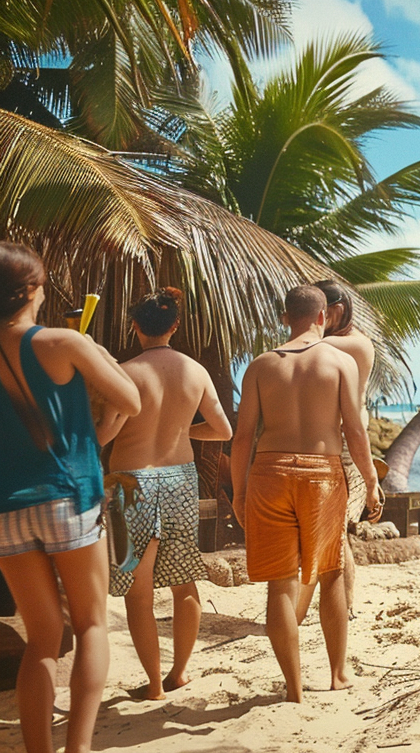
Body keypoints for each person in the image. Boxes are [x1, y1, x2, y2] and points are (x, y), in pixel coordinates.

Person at [0, 243, 140, 753]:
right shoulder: (61, 343)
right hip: (67, 498)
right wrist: (99, 422)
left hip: (6, 509)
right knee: (91, 625)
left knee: (41, 637)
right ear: (32, 289)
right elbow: (132, 399)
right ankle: (77, 748)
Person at [230, 285, 380, 703]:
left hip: (269, 472)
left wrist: (240, 492)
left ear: (285, 318)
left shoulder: (260, 365)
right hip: (322, 474)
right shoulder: (339, 361)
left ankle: (293, 690)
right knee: (331, 573)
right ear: (322, 318)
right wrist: (370, 479)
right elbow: (354, 429)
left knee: (279, 586)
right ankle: (337, 675)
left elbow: (243, 438)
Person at [97, 288, 232, 700]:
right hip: (179, 480)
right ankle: (179, 673)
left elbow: (105, 434)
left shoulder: (125, 372)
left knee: (137, 590)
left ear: (134, 325)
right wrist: (181, 430)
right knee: (185, 580)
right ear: (175, 326)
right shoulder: (195, 371)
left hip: (128, 482)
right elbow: (224, 430)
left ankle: (154, 685)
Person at [304, 279, 378, 618]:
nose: (315, 319)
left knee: (338, 530)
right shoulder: (335, 342)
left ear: (336, 310)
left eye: (321, 312)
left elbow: (300, 345)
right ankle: (337, 605)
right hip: (333, 441)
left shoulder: (355, 345)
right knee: (332, 529)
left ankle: (343, 606)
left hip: (349, 443)